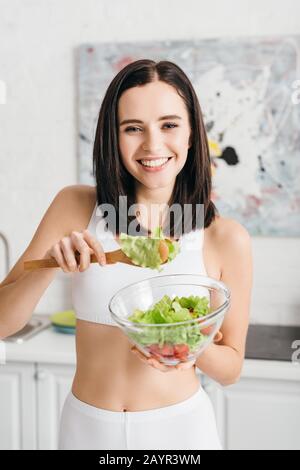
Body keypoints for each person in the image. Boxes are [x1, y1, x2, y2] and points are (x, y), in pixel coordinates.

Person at [0, 59, 253, 450]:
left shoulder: (225, 237)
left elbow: (232, 367)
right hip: (85, 430)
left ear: (191, 135)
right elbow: (3, 324)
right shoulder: (74, 207)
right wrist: (51, 264)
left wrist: (188, 348)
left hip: (181, 432)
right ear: (113, 138)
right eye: (132, 128)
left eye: (169, 125)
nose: (152, 145)